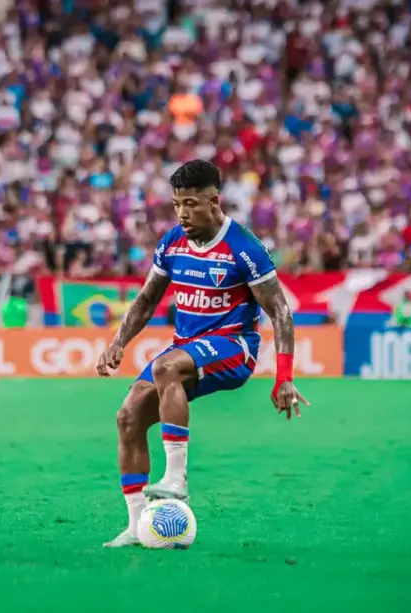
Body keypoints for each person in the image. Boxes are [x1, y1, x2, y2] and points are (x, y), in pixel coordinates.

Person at [95, 160, 310, 548]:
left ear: (214, 201)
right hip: (187, 350)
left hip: (234, 348)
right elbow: (146, 300)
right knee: (127, 417)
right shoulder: (173, 242)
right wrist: (118, 342)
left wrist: (284, 377)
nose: (182, 213)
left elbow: (279, 310)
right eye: (177, 204)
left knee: (166, 368)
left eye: (190, 203)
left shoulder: (244, 248)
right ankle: (135, 525)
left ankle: (176, 478)